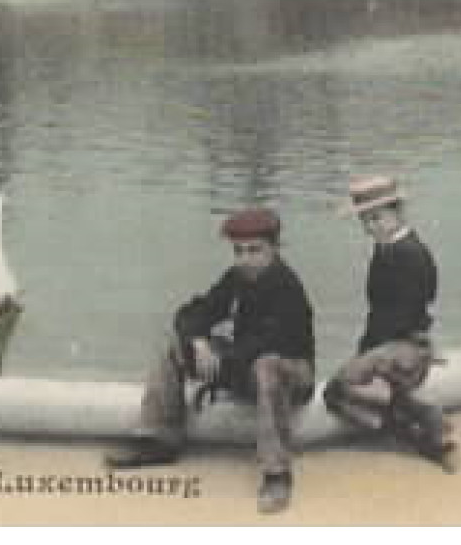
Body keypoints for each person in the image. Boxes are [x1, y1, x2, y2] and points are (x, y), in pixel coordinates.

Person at [105, 207, 315, 515]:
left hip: (291, 371)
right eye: (238, 251)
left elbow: (268, 344)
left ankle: (277, 474)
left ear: (274, 248)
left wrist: (221, 358)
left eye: (254, 250)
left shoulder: (288, 287)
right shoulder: (237, 278)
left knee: (266, 365)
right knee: (177, 346)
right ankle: (161, 440)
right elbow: (194, 311)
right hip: (244, 363)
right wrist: (198, 341)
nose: (245, 259)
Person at [321, 175, 456, 471]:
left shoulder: (406, 254)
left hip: (402, 344)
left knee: (335, 392)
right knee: (349, 386)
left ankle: (415, 419)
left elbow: (397, 313)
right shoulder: (392, 249)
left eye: (376, 218)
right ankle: (413, 425)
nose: (370, 227)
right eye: (365, 221)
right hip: (401, 340)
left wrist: (370, 355)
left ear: (398, 213)